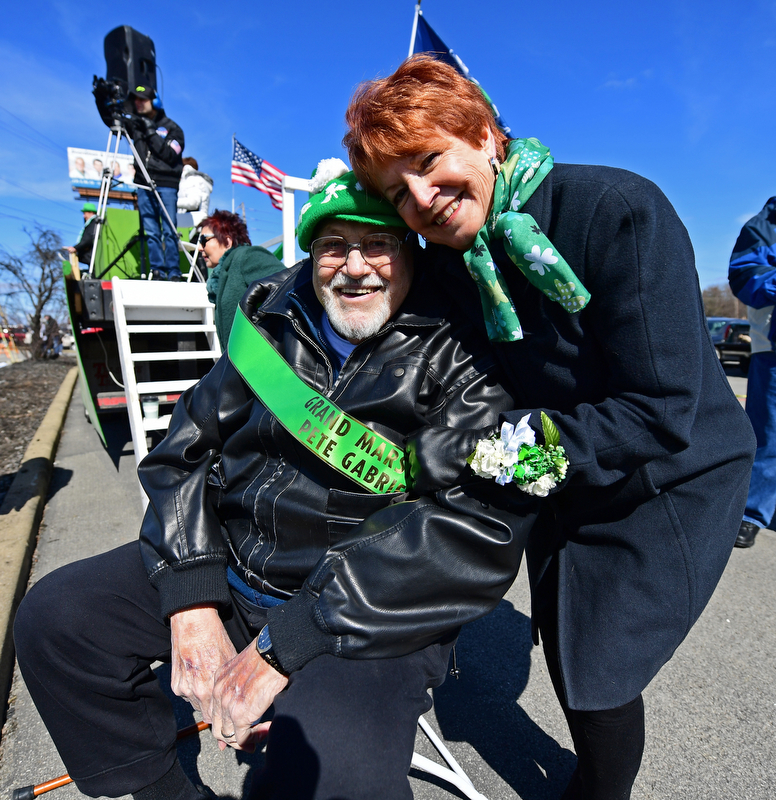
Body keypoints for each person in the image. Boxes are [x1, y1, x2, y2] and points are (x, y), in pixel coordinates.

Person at [14, 168, 538, 800]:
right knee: (57, 620)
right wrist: (190, 598)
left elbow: (473, 534)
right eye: (331, 245)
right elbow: (183, 454)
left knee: (333, 774)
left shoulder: (467, 351)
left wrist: (280, 648)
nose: (354, 266)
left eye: (377, 243)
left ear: (410, 250)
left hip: (359, 612)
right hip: (234, 568)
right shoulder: (270, 317)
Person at [342, 54, 756, 800]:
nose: (423, 200)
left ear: (484, 134)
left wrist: (485, 454)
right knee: (566, 642)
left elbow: (661, 410)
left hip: (670, 469)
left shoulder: (617, 212)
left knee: (600, 666)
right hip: (563, 461)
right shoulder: (449, 261)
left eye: (431, 162)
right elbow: (370, 296)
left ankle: (600, 789)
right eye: (398, 193)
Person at [728, 197, 776, 548]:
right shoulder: (764, 225)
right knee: (769, 433)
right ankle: (751, 513)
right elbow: (745, 276)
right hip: (772, 346)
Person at [124, 85, 185, 281]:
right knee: (151, 231)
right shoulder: (135, 126)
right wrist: (102, 101)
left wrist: (150, 133)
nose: (138, 103)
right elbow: (112, 121)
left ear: (155, 102)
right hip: (143, 184)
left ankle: (173, 271)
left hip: (166, 184)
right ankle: (157, 270)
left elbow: (168, 154)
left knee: (169, 229)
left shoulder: (174, 128)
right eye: (136, 100)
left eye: (143, 99)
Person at [199, 209, 282, 346]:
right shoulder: (225, 273)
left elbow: (289, 287)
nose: (200, 248)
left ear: (227, 241)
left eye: (204, 240)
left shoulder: (246, 256)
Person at [177, 156, 214, 226]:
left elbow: (193, 202)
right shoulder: (198, 180)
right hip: (195, 223)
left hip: (191, 224)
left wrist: (171, 202)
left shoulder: (192, 180)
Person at [64, 202, 98, 266]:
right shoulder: (93, 223)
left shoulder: (93, 223)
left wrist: (76, 248)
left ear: (91, 212)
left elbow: (88, 239)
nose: (84, 216)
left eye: (85, 213)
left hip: (91, 255)